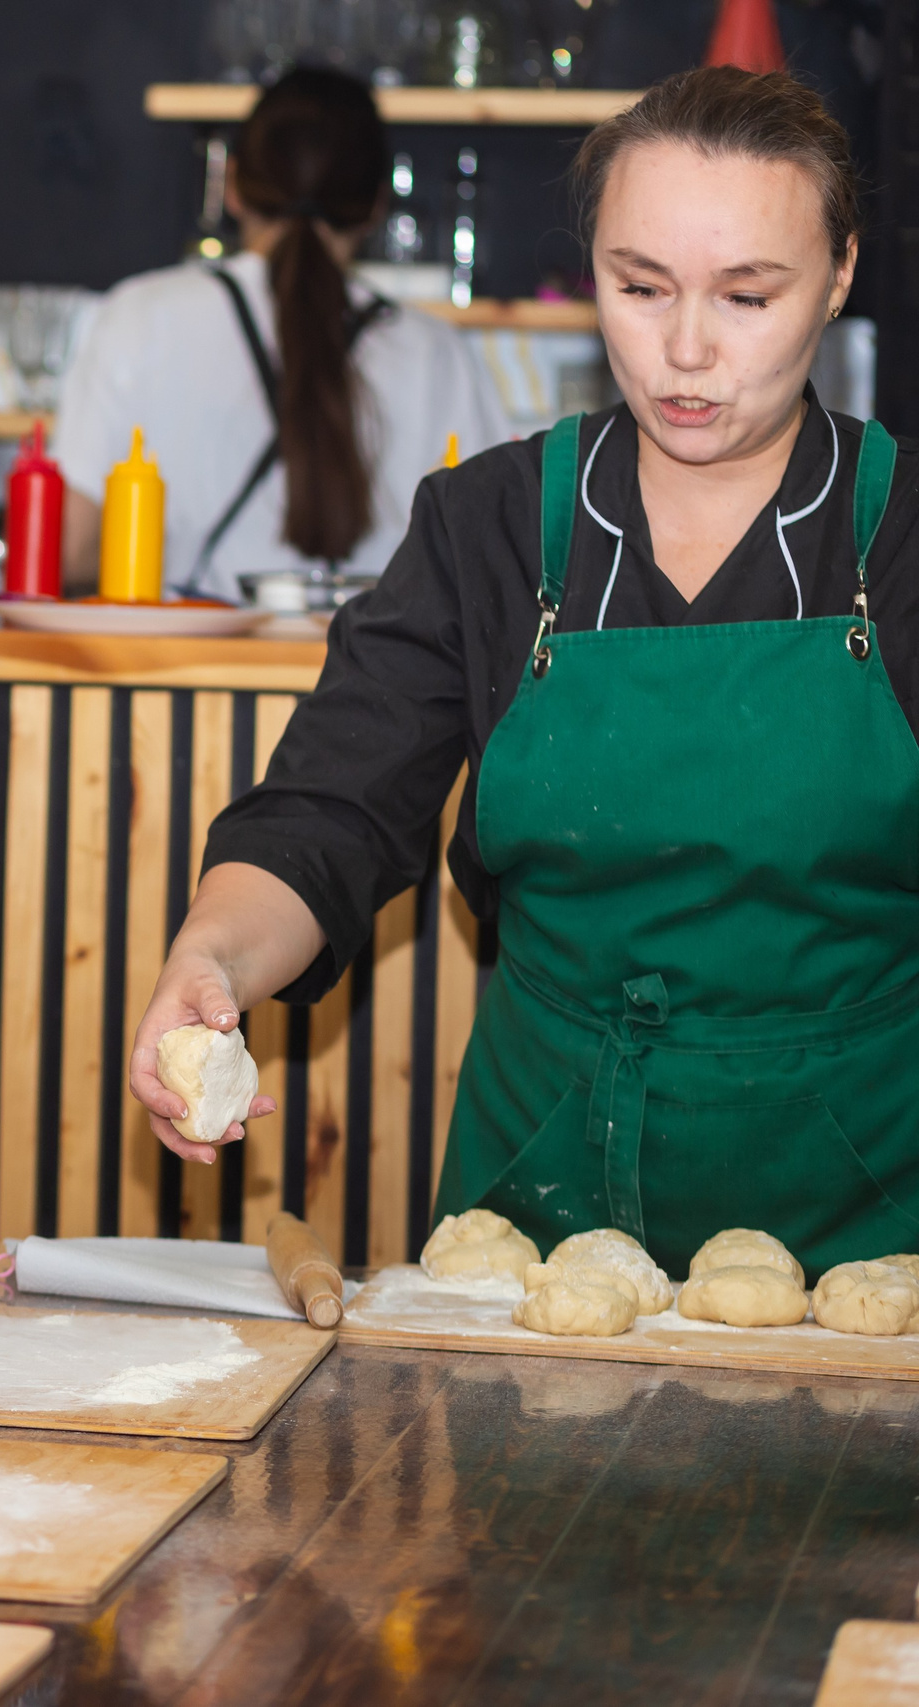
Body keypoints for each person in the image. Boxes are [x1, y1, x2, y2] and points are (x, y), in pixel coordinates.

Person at [131, 67, 919, 1276]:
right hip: (543, 1193)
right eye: (638, 287)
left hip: (867, 1204)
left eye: (747, 295)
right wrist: (212, 959)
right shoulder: (489, 523)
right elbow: (331, 811)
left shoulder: (901, 532)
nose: (686, 350)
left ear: (840, 278)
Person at [54, 66, 509, 603]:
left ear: (234, 189)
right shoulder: (438, 354)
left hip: (186, 675)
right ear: (375, 208)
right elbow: (498, 559)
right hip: (380, 682)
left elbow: (73, 549)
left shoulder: (139, 316)